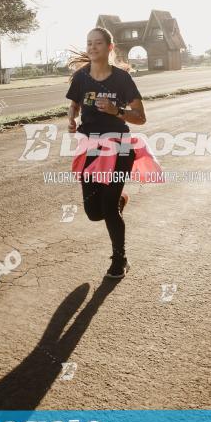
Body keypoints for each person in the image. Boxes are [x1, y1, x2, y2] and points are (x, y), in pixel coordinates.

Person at [66, 26, 146, 280]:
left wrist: (116, 111)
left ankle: (119, 259)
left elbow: (141, 117)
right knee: (93, 212)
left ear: (109, 47)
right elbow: (74, 104)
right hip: (90, 146)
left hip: (119, 146)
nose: (92, 47)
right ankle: (119, 201)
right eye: (89, 43)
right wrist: (71, 119)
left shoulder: (122, 79)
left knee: (109, 209)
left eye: (97, 43)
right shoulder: (81, 77)